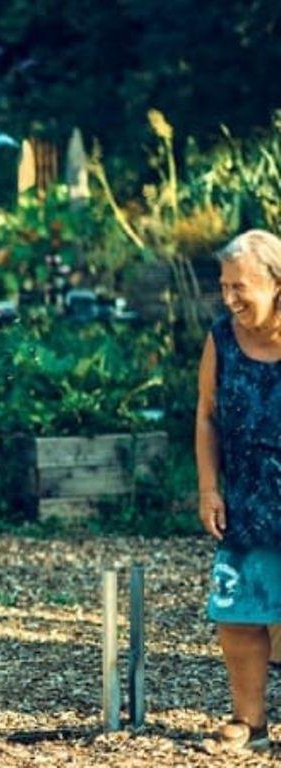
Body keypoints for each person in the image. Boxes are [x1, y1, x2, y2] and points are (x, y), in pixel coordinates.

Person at [196, 229, 281, 753]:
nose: (229, 299)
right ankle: (248, 721)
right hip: (247, 497)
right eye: (224, 287)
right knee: (237, 612)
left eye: (240, 287)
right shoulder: (222, 339)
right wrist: (209, 487)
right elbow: (206, 415)